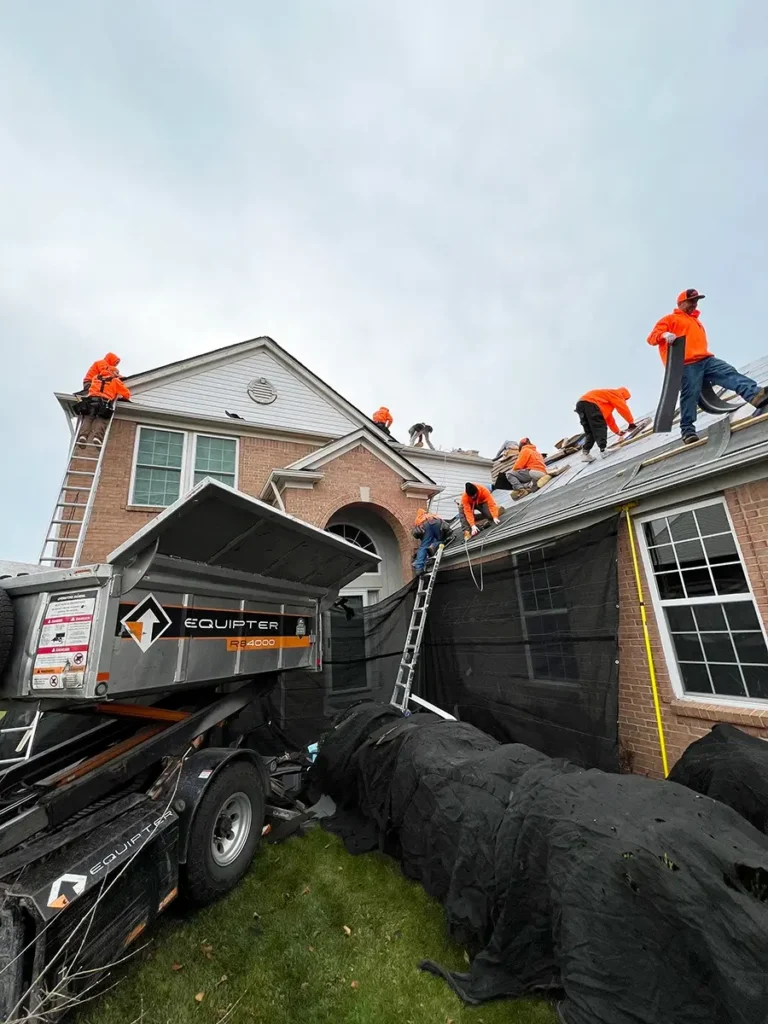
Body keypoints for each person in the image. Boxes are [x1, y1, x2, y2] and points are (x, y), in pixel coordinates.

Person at [648, 289, 768, 443]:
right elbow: (651, 338)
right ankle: (687, 430)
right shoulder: (670, 319)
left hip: (706, 360)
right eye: (691, 301)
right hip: (686, 364)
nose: (695, 304)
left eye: (696, 301)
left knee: (729, 373)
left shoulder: (695, 320)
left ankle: (755, 395)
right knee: (690, 394)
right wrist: (664, 335)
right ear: (681, 303)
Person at [575, 388, 637, 462]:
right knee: (599, 427)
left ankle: (585, 453)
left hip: (581, 404)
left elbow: (609, 419)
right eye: (625, 399)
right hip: (590, 403)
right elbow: (622, 408)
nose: (624, 401)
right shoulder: (617, 393)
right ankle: (603, 451)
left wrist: (617, 432)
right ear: (624, 395)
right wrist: (631, 422)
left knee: (590, 431)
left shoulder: (605, 400)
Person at [76, 374, 131, 447]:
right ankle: (97, 437)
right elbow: (126, 393)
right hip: (104, 402)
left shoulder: (96, 377)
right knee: (102, 419)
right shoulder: (115, 380)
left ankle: (83, 436)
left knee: (88, 419)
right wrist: (122, 398)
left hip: (91, 401)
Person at [412, 508, 445, 573]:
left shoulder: (418, 520)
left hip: (426, 525)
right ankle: (433, 546)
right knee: (441, 540)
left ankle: (419, 568)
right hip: (438, 523)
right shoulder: (431, 515)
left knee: (424, 546)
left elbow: (420, 532)